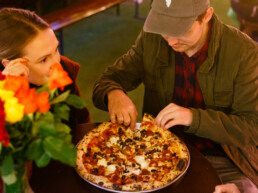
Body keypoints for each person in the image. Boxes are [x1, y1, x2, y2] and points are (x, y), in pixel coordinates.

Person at [92, 0, 258, 192]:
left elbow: (253, 129)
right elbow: (107, 80)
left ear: (207, 15)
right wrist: (114, 93)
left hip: (225, 159)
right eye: (164, 28)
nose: (170, 41)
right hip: (156, 152)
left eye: (181, 30)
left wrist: (193, 118)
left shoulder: (246, 53)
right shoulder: (152, 38)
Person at [0, 8, 91, 129]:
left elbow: (82, 120)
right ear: (11, 65)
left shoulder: (66, 68)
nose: (57, 64)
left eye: (56, 50)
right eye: (43, 60)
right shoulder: (5, 97)